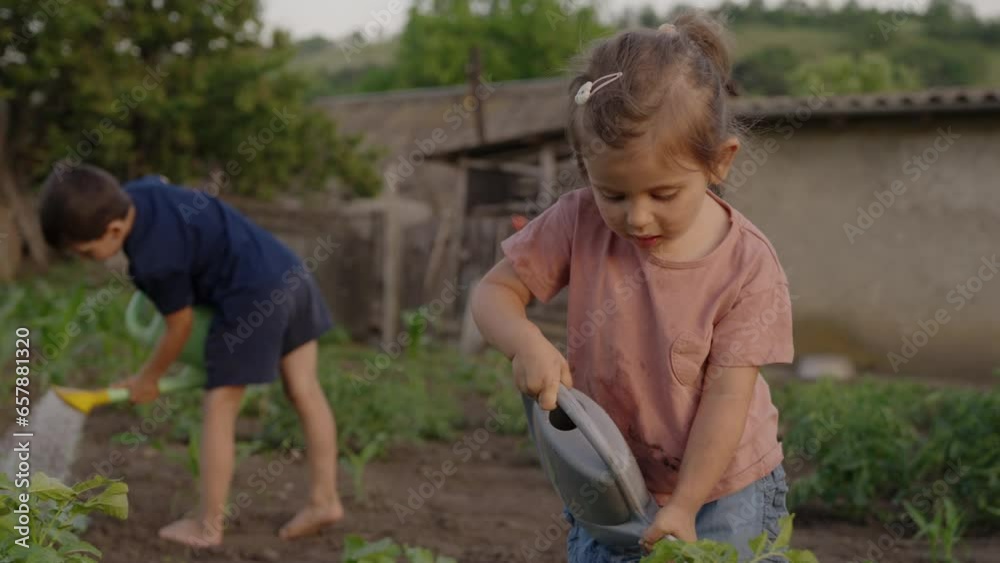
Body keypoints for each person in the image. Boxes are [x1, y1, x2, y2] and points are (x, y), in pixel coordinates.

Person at [471, 10, 793, 562]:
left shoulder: (748, 266)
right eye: (613, 195)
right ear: (584, 168)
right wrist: (524, 342)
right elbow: (493, 294)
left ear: (719, 162)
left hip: (723, 492)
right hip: (607, 479)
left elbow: (727, 397)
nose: (637, 218)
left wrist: (686, 505)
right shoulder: (577, 221)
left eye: (663, 195)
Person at [38, 165, 344, 548]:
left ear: (114, 230)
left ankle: (207, 525)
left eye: (86, 252)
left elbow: (179, 328)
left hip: (251, 295)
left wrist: (147, 379)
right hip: (288, 271)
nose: (87, 259)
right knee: (304, 388)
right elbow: (162, 182)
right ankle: (325, 500)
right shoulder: (138, 193)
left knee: (220, 404)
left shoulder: (153, 262)